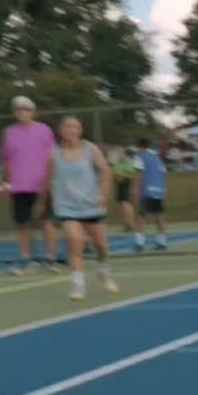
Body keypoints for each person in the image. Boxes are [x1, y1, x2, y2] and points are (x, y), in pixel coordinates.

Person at [44, 116, 119, 302]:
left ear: (80, 130)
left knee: (102, 247)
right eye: (67, 127)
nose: (71, 130)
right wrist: (52, 200)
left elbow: (106, 171)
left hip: (91, 205)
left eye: (75, 127)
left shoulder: (90, 149)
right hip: (67, 208)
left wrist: (104, 194)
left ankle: (103, 272)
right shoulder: (53, 154)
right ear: (61, 131)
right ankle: (78, 285)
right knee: (74, 241)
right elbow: (50, 179)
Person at [0, 95, 60, 274]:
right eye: (18, 109)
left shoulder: (45, 130)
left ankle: (51, 259)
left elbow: (52, 158)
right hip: (19, 188)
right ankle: (27, 260)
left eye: (25, 109)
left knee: (46, 222)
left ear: (33, 112)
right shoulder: (9, 133)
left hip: (42, 187)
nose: (22, 112)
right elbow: (6, 160)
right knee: (22, 224)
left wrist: (50, 181)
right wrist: (6, 182)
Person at [133, 137, 169, 250]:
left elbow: (140, 174)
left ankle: (140, 243)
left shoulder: (139, 157)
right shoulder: (157, 158)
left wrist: (137, 190)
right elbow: (164, 174)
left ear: (140, 147)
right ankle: (162, 242)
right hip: (159, 190)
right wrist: (164, 189)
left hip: (147, 191)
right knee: (159, 217)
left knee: (141, 217)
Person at [112, 145, 139, 233]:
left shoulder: (128, 161)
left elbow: (131, 175)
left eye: (121, 152)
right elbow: (115, 172)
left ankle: (131, 224)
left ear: (125, 153)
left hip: (125, 183)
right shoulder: (120, 162)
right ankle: (126, 225)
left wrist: (121, 176)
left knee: (125, 204)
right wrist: (116, 176)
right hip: (119, 184)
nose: (119, 154)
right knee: (121, 205)